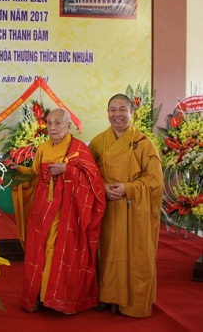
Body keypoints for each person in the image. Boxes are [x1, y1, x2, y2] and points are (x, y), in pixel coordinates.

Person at [7, 108, 106, 314]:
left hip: (67, 212)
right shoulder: (43, 148)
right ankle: (37, 295)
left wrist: (67, 170)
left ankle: (56, 298)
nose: (52, 127)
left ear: (68, 126)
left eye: (58, 123)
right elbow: (36, 175)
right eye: (49, 123)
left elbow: (93, 179)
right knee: (38, 251)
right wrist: (21, 170)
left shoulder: (78, 149)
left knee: (57, 251)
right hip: (42, 209)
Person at [88, 94, 163, 317]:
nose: (117, 114)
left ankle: (132, 301)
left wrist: (128, 188)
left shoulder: (143, 143)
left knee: (135, 253)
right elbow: (87, 174)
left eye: (123, 109)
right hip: (107, 209)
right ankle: (106, 296)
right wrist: (102, 185)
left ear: (132, 113)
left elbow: (156, 180)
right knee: (108, 250)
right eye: (113, 109)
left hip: (133, 208)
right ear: (107, 112)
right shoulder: (98, 142)